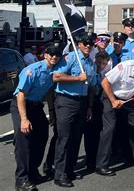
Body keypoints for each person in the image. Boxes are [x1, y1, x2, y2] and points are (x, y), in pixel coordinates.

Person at [95, 45, 134, 176]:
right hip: (110, 96)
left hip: (128, 100)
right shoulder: (125, 66)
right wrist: (113, 101)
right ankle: (101, 165)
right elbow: (105, 82)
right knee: (109, 128)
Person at [11, 42, 63, 191]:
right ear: (45, 54)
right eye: (51, 54)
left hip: (36, 106)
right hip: (21, 105)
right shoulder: (32, 70)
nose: (54, 57)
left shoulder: (54, 71)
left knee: (41, 137)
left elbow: (49, 93)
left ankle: (33, 172)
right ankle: (21, 179)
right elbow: (21, 94)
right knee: (24, 141)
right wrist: (24, 119)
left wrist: (52, 112)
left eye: (57, 55)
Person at [52, 32, 97, 188]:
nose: (88, 46)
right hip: (66, 100)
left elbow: (91, 87)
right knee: (64, 138)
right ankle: (60, 174)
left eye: (91, 43)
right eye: (85, 43)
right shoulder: (70, 58)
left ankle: (70, 170)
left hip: (82, 102)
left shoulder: (91, 63)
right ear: (79, 44)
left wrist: (90, 107)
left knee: (76, 138)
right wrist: (77, 78)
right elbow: (56, 77)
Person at [83, 51, 109, 172]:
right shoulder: (91, 73)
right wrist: (89, 107)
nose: (100, 65)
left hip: (98, 106)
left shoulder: (103, 76)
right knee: (89, 135)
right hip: (88, 105)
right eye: (98, 62)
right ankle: (89, 161)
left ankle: (95, 160)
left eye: (103, 63)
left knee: (97, 134)